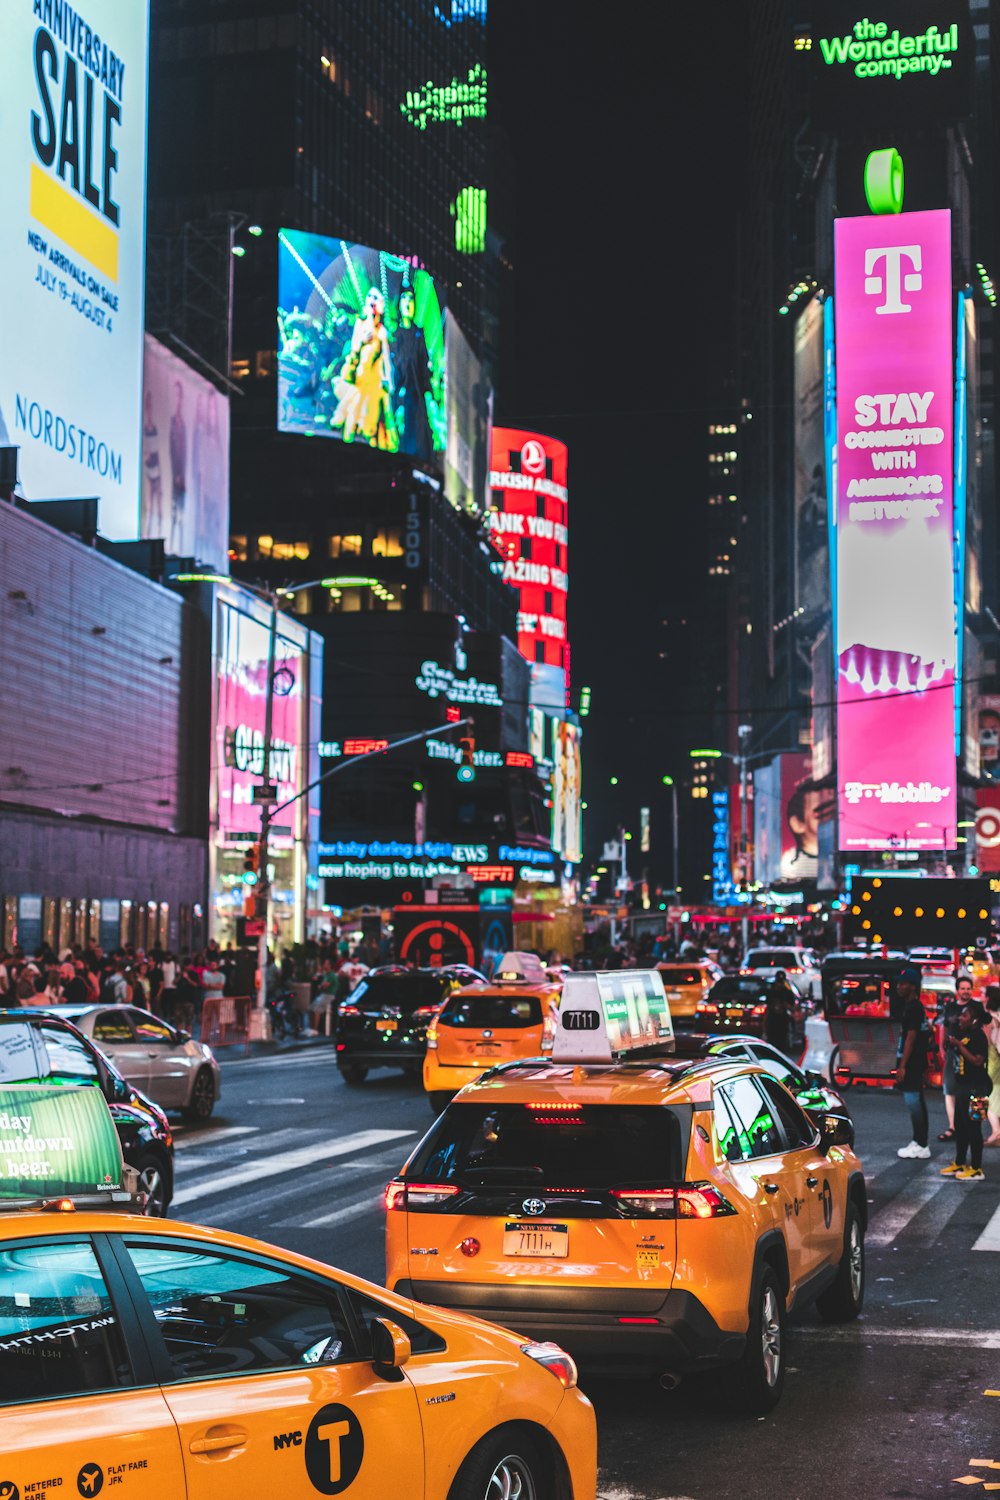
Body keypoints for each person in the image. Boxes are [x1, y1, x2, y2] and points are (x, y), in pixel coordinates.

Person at [940, 1000, 991, 1181]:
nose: (961, 1017)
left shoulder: (978, 1036)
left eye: (965, 1015)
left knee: (974, 1127)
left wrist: (960, 1046)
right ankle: (960, 1162)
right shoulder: (963, 1033)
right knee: (960, 1126)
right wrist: (953, 1030)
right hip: (963, 1086)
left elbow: (978, 1061)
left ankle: (977, 1168)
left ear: (975, 1020)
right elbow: (948, 1043)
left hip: (978, 1087)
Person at [895, 964, 932, 1159]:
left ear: (913, 986)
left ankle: (921, 1143)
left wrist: (903, 1066)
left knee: (913, 1103)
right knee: (917, 1102)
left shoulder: (914, 1009)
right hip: (915, 1062)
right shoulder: (913, 1008)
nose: (899, 987)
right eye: (899, 984)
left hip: (913, 1064)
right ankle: (919, 1141)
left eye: (903, 984)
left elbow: (911, 1037)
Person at [938, 974, 973, 1142]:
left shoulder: (976, 1007)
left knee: (969, 1091)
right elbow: (944, 1027)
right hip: (952, 1053)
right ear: (958, 991)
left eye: (968, 988)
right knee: (949, 1090)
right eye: (963, 989)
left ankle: (969, 1127)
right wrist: (941, 1047)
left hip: (971, 1055)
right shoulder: (950, 1007)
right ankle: (952, 1127)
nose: (966, 992)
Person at [983, 989, 1000, 1148]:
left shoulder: (989, 1020)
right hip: (997, 1060)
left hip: (991, 1059)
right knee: (996, 1094)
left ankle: (996, 1132)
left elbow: (987, 1042)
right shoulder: (998, 1017)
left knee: (986, 1095)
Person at [765, 971, 794, 1053]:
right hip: (772, 1020)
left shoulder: (787, 992)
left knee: (782, 1042)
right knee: (772, 1042)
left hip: (782, 1020)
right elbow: (768, 1007)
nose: (779, 985)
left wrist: (785, 1005)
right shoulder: (770, 992)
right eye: (778, 982)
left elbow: (793, 1007)